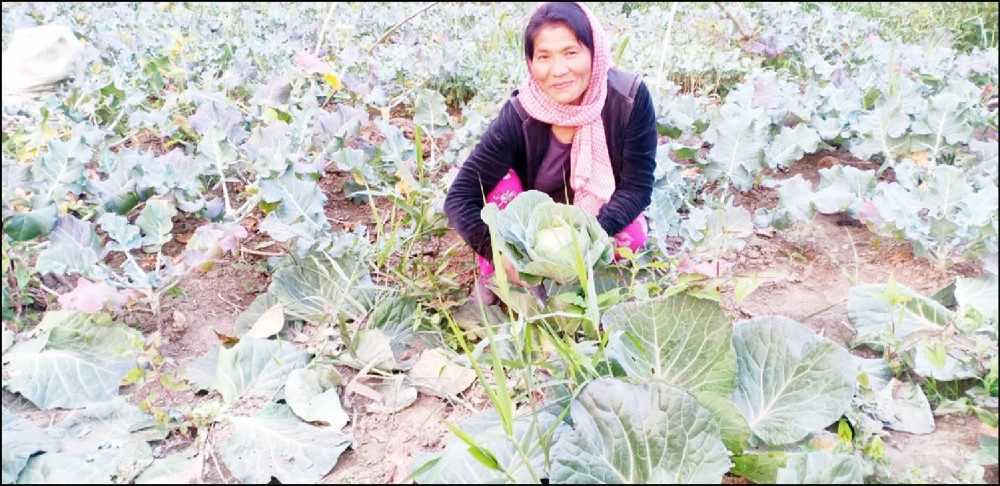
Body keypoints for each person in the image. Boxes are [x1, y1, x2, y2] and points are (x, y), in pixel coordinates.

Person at [443, 1, 656, 305]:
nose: (558, 70)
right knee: (496, 183)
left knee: (632, 236)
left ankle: (586, 277)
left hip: (596, 214)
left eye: (571, 52)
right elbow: (460, 197)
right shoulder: (521, 114)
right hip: (531, 224)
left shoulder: (629, 100)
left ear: (594, 53)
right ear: (530, 63)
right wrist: (498, 251)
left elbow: (636, 188)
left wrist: (585, 240)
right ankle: (498, 275)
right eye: (544, 56)